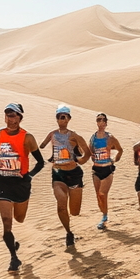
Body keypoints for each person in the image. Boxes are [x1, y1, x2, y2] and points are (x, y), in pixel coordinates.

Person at [0, 103, 45, 272]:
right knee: (6, 222)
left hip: (21, 184)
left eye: (13, 115)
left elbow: (40, 162)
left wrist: (29, 176)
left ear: (20, 117)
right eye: (8, 115)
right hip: (3, 182)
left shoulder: (28, 138)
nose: (10, 118)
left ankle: (13, 244)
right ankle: (14, 258)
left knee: (20, 218)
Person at [38, 105, 91, 247]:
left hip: (74, 174)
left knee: (74, 212)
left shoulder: (74, 136)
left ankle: (71, 221)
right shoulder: (52, 134)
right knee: (61, 205)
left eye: (64, 116)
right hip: (58, 174)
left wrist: (80, 160)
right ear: (56, 118)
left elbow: (87, 152)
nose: (62, 118)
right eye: (59, 116)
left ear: (69, 118)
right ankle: (68, 232)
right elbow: (40, 147)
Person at [89, 113, 123, 230]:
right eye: (99, 120)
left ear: (106, 123)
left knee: (103, 194)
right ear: (97, 122)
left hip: (107, 169)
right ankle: (104, 215)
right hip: (96, 169)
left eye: (103, 120)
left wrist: (114, 160)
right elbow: (90, 151)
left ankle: (104, 218)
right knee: (99, 196)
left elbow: (120, 150)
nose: (101, 122)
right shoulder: (93, 137)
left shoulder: (110, 137)